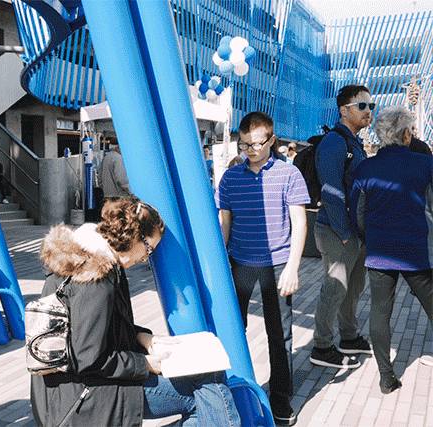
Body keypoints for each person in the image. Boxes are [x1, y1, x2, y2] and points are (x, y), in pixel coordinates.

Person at [31, 197, 242, 427]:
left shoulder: (90, 258)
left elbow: (97, 329)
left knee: (211, 384)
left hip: (72, 389)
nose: (144, 258)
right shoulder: (95, 277)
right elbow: (88, 357)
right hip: (82, 398)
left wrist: (142, 337)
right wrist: (147, 364)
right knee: (207, 394)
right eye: (148, 249)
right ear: (133, 235)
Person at [218, 111, 309, 426]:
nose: (251, 150)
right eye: (244, 145)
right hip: (240, 261)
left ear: (272, 139)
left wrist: (293, 267)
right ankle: (233, 390)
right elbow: (225, 223)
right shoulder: (230, 177)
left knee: (279, 334)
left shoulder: (289, 174)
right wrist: (221, 265)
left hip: (277, 263)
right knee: (232, 328)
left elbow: (299, 223)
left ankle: (280, 397)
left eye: (257, 144)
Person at [349, 105, 433, 394]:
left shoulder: (366, 167)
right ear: (407, 134)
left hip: (379, 251)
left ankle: (386, 376)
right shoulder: (426, 165)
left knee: (380, 311)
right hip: (416, 252)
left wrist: (368, 235)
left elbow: (357, 212)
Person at [310, 84, 374, 369]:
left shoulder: (354, 142)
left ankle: (349, 337)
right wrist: (346, 233)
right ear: (343, 110)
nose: (368, 111)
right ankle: (322, 347)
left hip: (354, 232)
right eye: (362, 106)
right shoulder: (335, 142)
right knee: (335, 289)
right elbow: (331, 192)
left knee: (353, 289)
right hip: (337, 231)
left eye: (371, 106)